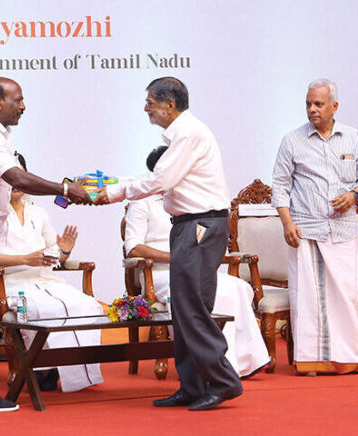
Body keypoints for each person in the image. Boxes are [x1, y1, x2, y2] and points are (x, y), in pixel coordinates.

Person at [0, 77, 91, 412]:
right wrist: (65, 190)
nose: (23, 106)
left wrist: (61, 189)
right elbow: (16, 178)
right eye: (17, 100)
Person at [95, 77, 243, 411]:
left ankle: (222, 382)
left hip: (199, 226)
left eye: (150, 102)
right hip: (189, 226)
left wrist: (114, 191)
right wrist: (113, 185)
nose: (146, 108)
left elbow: (160, 180)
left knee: (192, 308)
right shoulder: (182, 135)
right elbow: (157, 179)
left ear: (169, 105)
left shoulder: (189, 134)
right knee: (184, 309)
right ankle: (192, 385)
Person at [125, 146, 270, 378]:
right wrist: (175, 257)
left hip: (194, 264)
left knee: (236, 287)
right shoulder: (142, 202)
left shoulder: (190, 199)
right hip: (161, 272)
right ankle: (215, 366)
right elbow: (133, 246)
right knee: (210, 292)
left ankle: (245, 360)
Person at [0, 153, 104, 392]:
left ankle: (73, 371)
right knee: (40, 309)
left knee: (88, 306)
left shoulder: (38, 213)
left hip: (44, 279)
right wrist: (25, 259)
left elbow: (52, 256)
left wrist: (64, 250)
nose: (15, 184)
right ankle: (41, 368)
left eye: (20, 176)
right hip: (9, 283)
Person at [271, 78, 358, 375]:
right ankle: (312, 361)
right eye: (308, 103)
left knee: (349, 296)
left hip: (345, 231)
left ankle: (350, 359)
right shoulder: (292, 141)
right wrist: (286, 223)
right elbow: (280, 186)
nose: (312, 109)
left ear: (334, 106)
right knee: (308, 299)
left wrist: (354, 195)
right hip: (306, 233)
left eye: (318, 104)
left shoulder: (353, 138)